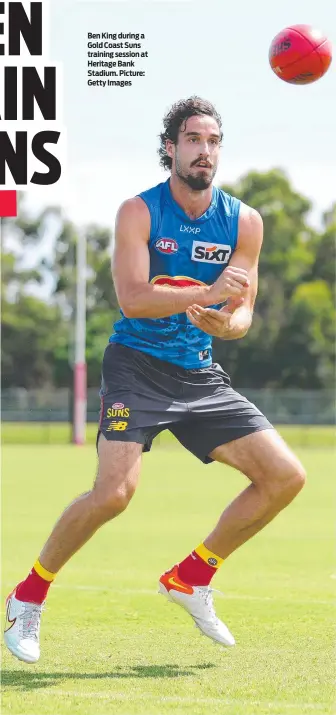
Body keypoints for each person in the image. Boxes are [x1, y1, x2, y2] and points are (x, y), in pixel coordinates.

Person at [4, 96, 306, 664]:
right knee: (114, 494)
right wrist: (207, 294)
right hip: (136, 365)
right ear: (170, 147)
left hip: (199, 373)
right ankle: (28, 595)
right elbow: (133, 299)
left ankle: (191, 578)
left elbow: (243, 314)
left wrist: (228, 320)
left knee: (286, 477)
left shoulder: (245, 222)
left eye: (214, 142)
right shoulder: (138, 212)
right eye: (193, 140)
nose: (205, 152)